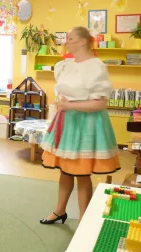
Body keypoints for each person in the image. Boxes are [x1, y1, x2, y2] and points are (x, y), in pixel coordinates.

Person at [40, 27, 120, 224]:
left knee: (82, 173)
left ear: (83, 41)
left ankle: (85, 220)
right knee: (65, 170)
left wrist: (70, 104)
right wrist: (64, 101)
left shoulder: (96, 66)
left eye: (70, 38)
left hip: (86, 125)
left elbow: (100, 103)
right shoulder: (66, 65)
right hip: (67, 122)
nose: (67, 42)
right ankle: (60, 211)